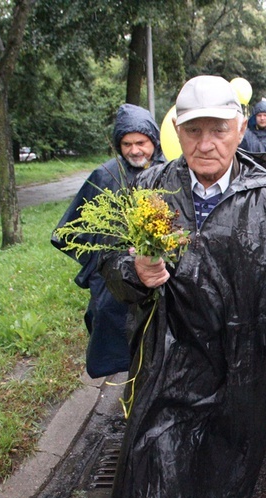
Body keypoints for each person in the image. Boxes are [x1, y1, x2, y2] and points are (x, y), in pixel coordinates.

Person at [99, 75, 266, 498]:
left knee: (224, 483)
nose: (206, 143)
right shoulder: (150, 189)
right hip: (168, 371)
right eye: (194, 130)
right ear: (177, 131)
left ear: (240, 125)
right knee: (154, 479)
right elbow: (110, 264)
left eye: (218, 129)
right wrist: (134, 272)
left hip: (242, 376)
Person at [52, 103, 166, 378]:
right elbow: (68, 231)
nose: (135, 150)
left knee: (158, 341)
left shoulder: (170, 171)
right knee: (118, 338)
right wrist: (96, 265)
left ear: (153, 140)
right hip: (113, 281)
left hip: (160, 276)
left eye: (141, 142)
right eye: (127, 143)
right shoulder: (104, 176)